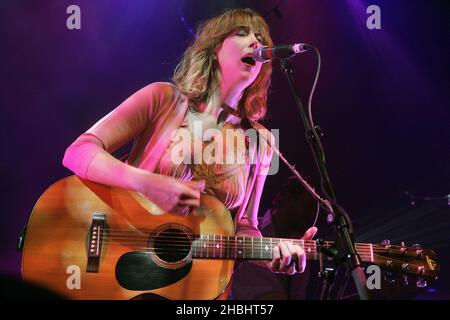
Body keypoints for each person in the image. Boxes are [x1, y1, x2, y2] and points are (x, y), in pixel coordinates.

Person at [62, 8, 317, 281]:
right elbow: (78, 152)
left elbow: (246, 226)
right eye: (242, 34)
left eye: (260, 37)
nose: (257, 43)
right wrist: (146, 182)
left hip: (190, 285)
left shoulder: (262, 141)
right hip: (117, 257)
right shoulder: (163, 98)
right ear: (213, 49)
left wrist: (272, 255)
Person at [231, 176, 320, 299]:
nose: (311, 215)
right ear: (289, 198)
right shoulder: (246, 233)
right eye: (308, 207)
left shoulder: (301, 247)